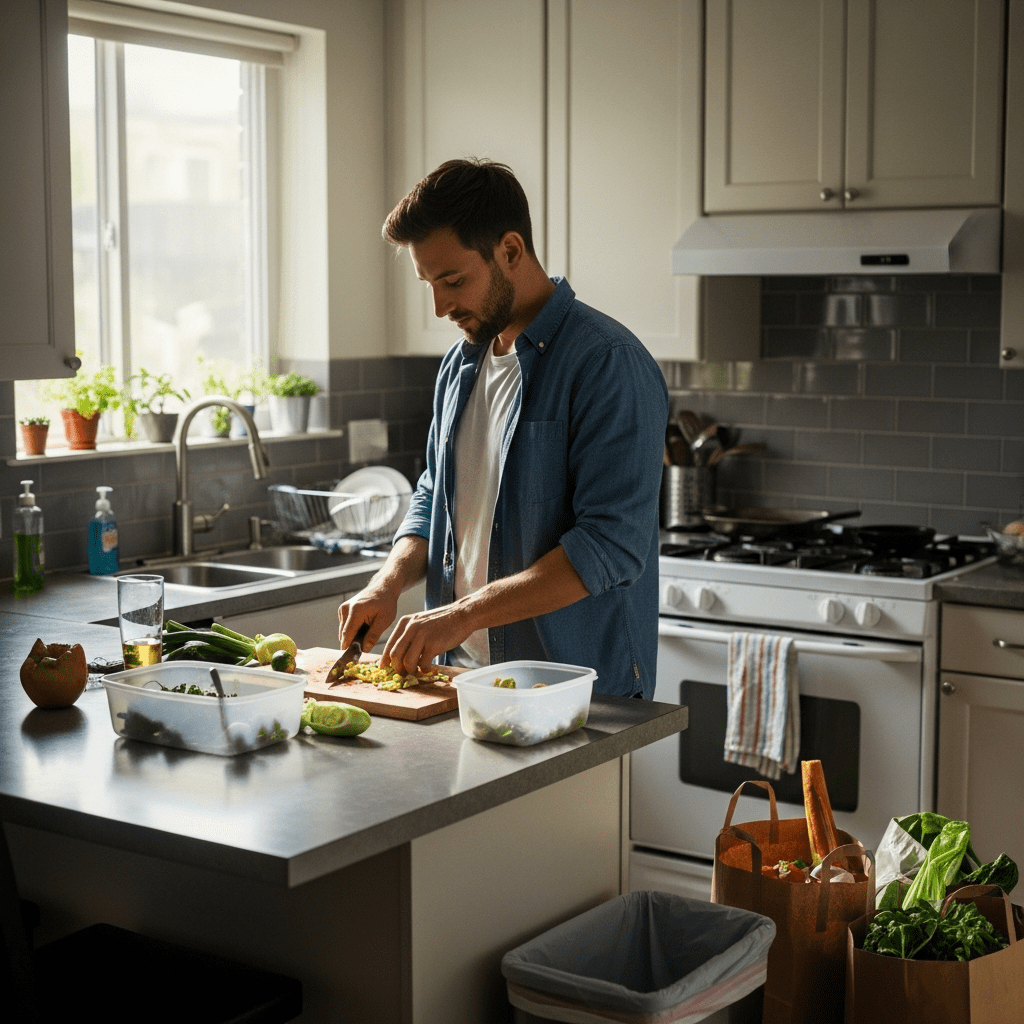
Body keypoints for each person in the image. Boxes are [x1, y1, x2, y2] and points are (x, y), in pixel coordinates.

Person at [337, 158, 668, 698]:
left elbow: (609, 545)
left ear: (510, 251)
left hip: (572, 699)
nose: (441, 305)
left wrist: (460, 614)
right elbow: (433, 494)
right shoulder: (459, 365)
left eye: (453, 280)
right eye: (429, 283)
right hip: (461, 685)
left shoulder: (608, 363)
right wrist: (388, 582)